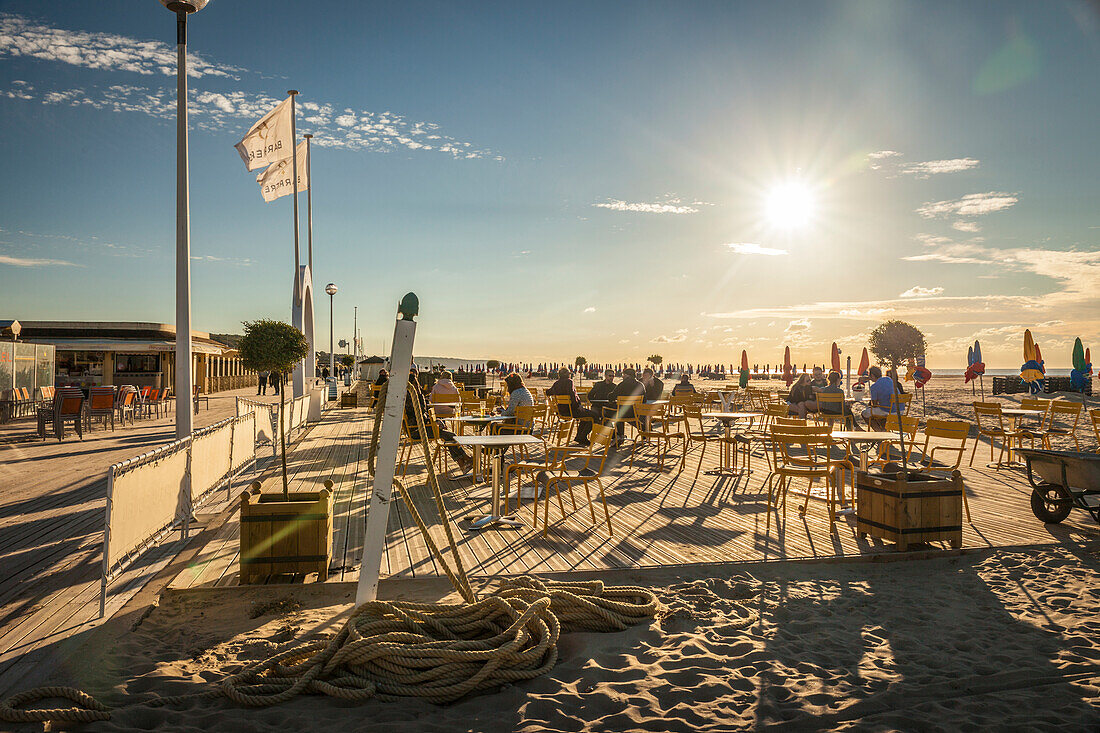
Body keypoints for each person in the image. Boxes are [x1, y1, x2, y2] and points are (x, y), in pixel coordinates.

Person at [546, 367, 598, 445]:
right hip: (571, 411)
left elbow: (548, 392)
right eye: (569, 373)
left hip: (562, 411)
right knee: (594, 415)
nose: (570, 375)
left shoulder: (556, 383)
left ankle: (580, 437)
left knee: (585, 417)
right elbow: (572, 395)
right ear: (566, 374)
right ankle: (582, 437)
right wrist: (578, 406)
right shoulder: (569, 382)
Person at [607, 367, 645, 440]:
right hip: (637, 412)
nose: (622, 376)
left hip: (624, 413)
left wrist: (609, 396)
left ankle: (620, 435)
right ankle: (644, 429)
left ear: (627, 375)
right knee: (626, 413)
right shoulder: (640, 385)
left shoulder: (622, 385)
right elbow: (644, 399)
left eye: (623, 375)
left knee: (615, 412)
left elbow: (611, 396)